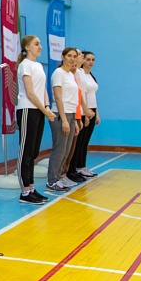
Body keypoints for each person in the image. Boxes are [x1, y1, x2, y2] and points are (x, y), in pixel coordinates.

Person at [15, 35, 55, 204]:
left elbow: (42, 90)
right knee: (26, 151)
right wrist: (45, 112)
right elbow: (30, 93)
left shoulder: (38, 65)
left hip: (38, 110)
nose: (40, 47)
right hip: (27, 109)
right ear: (27, 47)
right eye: (36, 44)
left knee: (33, 151)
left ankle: (31, 188)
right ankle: (24, 192)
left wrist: (47, 107)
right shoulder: (25, 65)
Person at [46, 47, 82, 193]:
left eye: (74, 56)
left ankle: (59, 177)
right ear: (63, 57)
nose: (72, 59)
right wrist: (65, 120)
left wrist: (75, 120)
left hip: (71, 114)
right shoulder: (58, 73)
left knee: (67, 150)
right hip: (61, 114)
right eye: (69, 56)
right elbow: (58, 97)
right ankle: (51, 181)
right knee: (59, 150)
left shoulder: (69, 74)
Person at [62, 48, 94, 185]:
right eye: (78, 55)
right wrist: (83, 112)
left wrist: (85, 112)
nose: (79, 57)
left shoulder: (79, 73)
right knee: (69, 147)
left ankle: (73, 170)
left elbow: (82, 94)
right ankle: (66, 172)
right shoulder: (67, 74)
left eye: (78, 55)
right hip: (72, 112)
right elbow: (76, 96)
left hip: (80, 112)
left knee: (78, 144)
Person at [72, 50, 100, 178]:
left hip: (92, 110)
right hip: (84, 110)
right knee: (79, 141)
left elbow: (93, 96)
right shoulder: (79, 73)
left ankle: (82, 166)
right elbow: (82, 95)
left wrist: (96, 113)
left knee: (85, 141)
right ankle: (76, 167)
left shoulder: (90, 76)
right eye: (87, 59)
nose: (90, 62)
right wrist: (86, 111)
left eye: (93, 60)